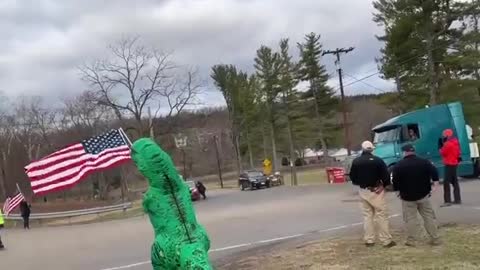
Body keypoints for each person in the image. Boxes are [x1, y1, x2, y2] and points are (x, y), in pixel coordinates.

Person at [349, 141, 396, 248]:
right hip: (376, 190)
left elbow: (352, 177)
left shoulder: (356, 161)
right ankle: (386, 240)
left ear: (363, 149)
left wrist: (360, 182)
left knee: (367, 216)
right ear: (372, 149)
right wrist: (384, 185)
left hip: (363, 190)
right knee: (381, 215)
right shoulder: (378, 161)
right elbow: (385, 175)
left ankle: (369, 240)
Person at [392, 144, 441, 247]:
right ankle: (435, 238)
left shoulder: (398, 165)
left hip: (407, 197)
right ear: (414, 151)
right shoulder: (424, 162)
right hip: (423, 195)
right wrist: (435, 186)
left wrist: (397, 192)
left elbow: (395, 181)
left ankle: (412, 240)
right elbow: (435, 173)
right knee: (428, 217)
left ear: (404, 152)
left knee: (410, 219)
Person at [440, 129, 462, 206]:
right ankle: (457, 199)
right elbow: (458, 153)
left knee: (446, 182)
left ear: (447, 135)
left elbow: (443, 153)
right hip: (454, 163)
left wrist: (441, 147)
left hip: (449, 164)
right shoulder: (456, 143)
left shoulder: (447, 144)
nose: (443, 136)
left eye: (444, 135)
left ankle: (447, 200)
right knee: (454, 182)